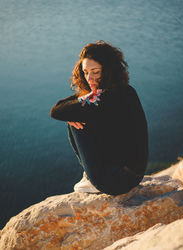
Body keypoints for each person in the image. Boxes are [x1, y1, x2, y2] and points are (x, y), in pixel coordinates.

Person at [50, 40, 148, 195]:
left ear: (108, 70)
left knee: (74, 122)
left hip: (115, 182)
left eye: (95, 72)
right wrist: (85, 99)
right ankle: (93, 176)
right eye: (86, 72)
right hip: (134, 176)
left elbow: (56, 111)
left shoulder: (103, 100)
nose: (90, 78)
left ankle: (90, 180)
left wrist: (75, 111)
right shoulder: (126, 91)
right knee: (76, 116)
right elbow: (61, 107)